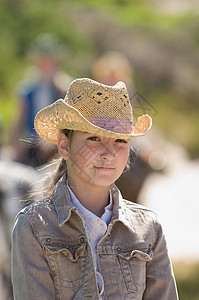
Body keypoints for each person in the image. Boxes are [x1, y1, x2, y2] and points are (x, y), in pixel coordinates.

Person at [11, 78, 179, 299]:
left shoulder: (149, 229)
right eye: (93, 138)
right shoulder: (33, 227)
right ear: (64, 146)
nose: (108, 152)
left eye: (120, 140)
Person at [12, 33, 72, 167]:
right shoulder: (27, 89)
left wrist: (53, 140)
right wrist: (16, 146)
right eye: (43, 61)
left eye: (49, 61)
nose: (46, 65)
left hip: (59, 145)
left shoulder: (64, 87)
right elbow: (18, 122)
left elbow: (70, 121)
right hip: (32, 144)